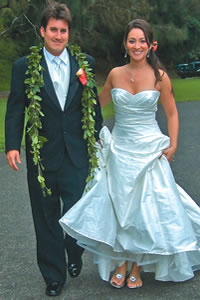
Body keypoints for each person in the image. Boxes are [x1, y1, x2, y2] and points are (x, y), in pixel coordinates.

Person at [59, 18, 200, 289]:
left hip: (149, 150)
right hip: (120, 148)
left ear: (150, 45)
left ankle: (135, 264)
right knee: (120, 206)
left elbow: (171, 112)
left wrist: (173, 144)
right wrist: (82, 97)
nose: (137, 45)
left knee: (145, 208)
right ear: (125, 44)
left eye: (142, 41)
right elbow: (96, 106)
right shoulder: (114, 74)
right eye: (132, 40)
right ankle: (122, 261)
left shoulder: (160, 76)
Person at [5, 1, 103, 297]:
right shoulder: (24, 66)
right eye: (53, 30)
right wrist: (12, 145)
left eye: (63, 31)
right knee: (46, 217)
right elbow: (15, 108)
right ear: (43, 32)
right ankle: (53, 276)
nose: (58, 36)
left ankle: (73, 252)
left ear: (68, 33)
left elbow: (92, 104)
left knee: (77, 211)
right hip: (42, 155)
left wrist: (98, 134)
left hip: (77, 154)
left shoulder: (85, 63)